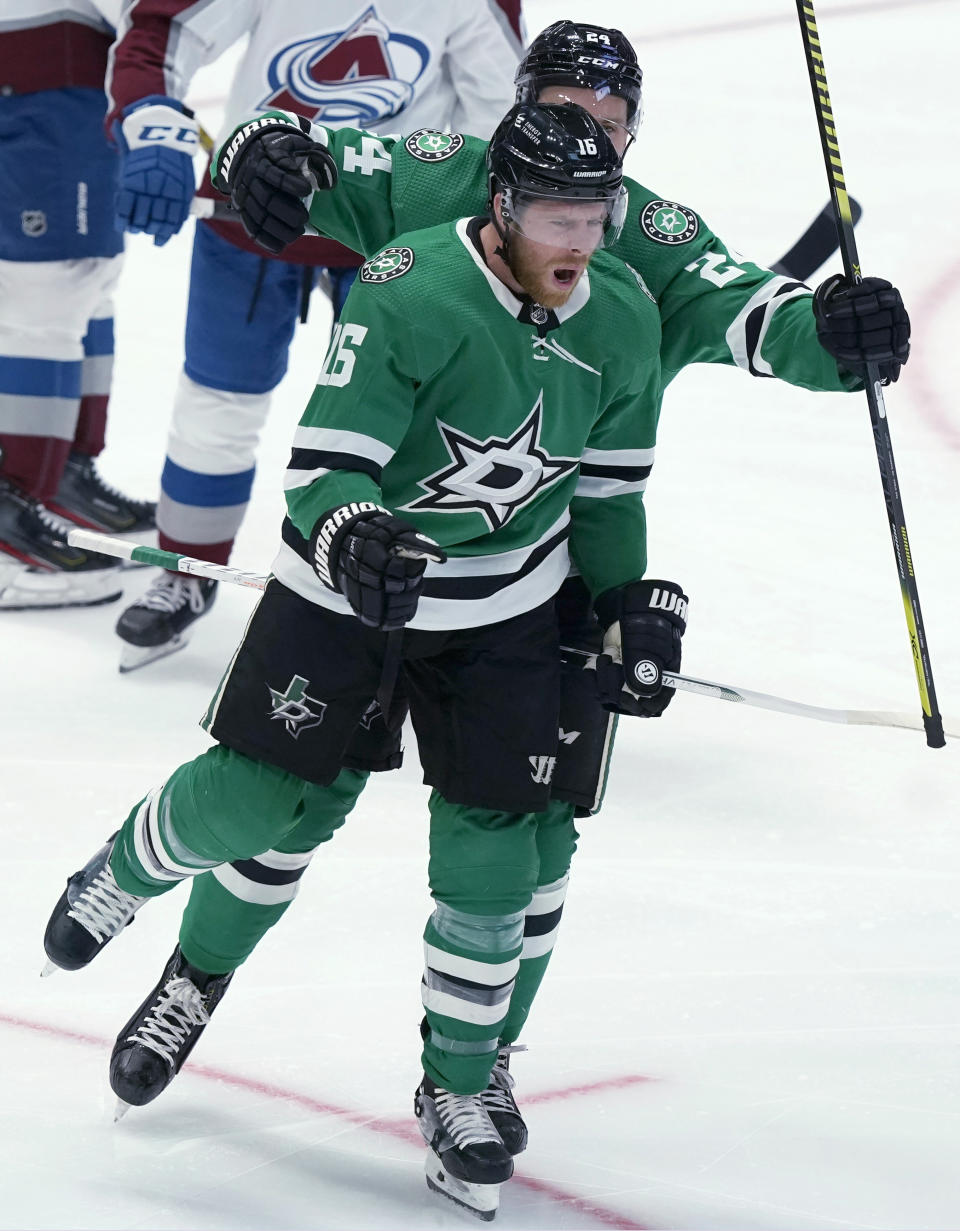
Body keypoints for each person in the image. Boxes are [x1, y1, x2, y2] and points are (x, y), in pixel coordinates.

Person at [41, 17, 910, 1155]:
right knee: (280, 802)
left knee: (522, 848)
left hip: (524, 586)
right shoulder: (441, 183)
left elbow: (748, 312)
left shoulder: (639, 244)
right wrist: (259, 148)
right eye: (557, 108)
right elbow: (298, 151)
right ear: (511, 111)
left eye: (607, 125)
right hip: (361, 569)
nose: (580, 143)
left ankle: (475, 1064)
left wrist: (831, 332)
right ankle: (194, 974)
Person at [43, 98, 691, 1216]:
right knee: (259, 806)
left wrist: (631, 607)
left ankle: (457, 1092)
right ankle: (131, 882)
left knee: (500, 862)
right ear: (500, 206)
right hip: (349, 592)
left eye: (594, 215)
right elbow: (326, 464)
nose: (577, 241)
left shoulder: (622, 315)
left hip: (507, 613)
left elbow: (607, 495)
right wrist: (353, 530)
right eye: (553, 214)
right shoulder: (406, 287)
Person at [105, 0, 525, 669]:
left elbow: (501, 111)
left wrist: (473, 218)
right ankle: (188, 567)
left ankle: (400, 595)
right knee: (217, 399)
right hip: (246, 214)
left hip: (390, 237)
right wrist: (154, 125)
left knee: (410, 428)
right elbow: (163, 28)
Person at [0, 0, 157, 610]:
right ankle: (13, 515)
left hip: (80, 83)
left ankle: (57, 475)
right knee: (51, 290)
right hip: (45, 80)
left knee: (91, 284)